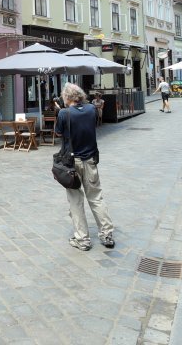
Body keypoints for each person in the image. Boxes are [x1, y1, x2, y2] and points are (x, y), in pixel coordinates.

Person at [54, 83, 115, 251]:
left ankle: (83, 239)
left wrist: (59, 110)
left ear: (66, 97)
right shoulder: (91, 109)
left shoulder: (63, 113)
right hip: (90, 159)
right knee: (96, 197)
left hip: (71, 163)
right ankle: (107, 234)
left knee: (76, 200)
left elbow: (59, 133)